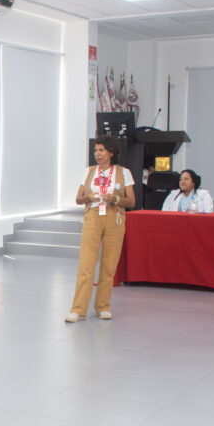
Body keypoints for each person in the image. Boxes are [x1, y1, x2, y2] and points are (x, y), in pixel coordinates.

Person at [65, 134, 135, 322]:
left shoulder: (124, 172)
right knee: (86, 264)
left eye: (101, 150)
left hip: (115, 217)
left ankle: (103, 306)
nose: (97, 154)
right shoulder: (88, 171)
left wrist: (117, 199)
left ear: (111, 152)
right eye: (96, 150)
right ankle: (78, 309)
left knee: (109, 265)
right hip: (93, 216)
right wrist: (88, 198)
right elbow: (78, 199)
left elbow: (132, 200)